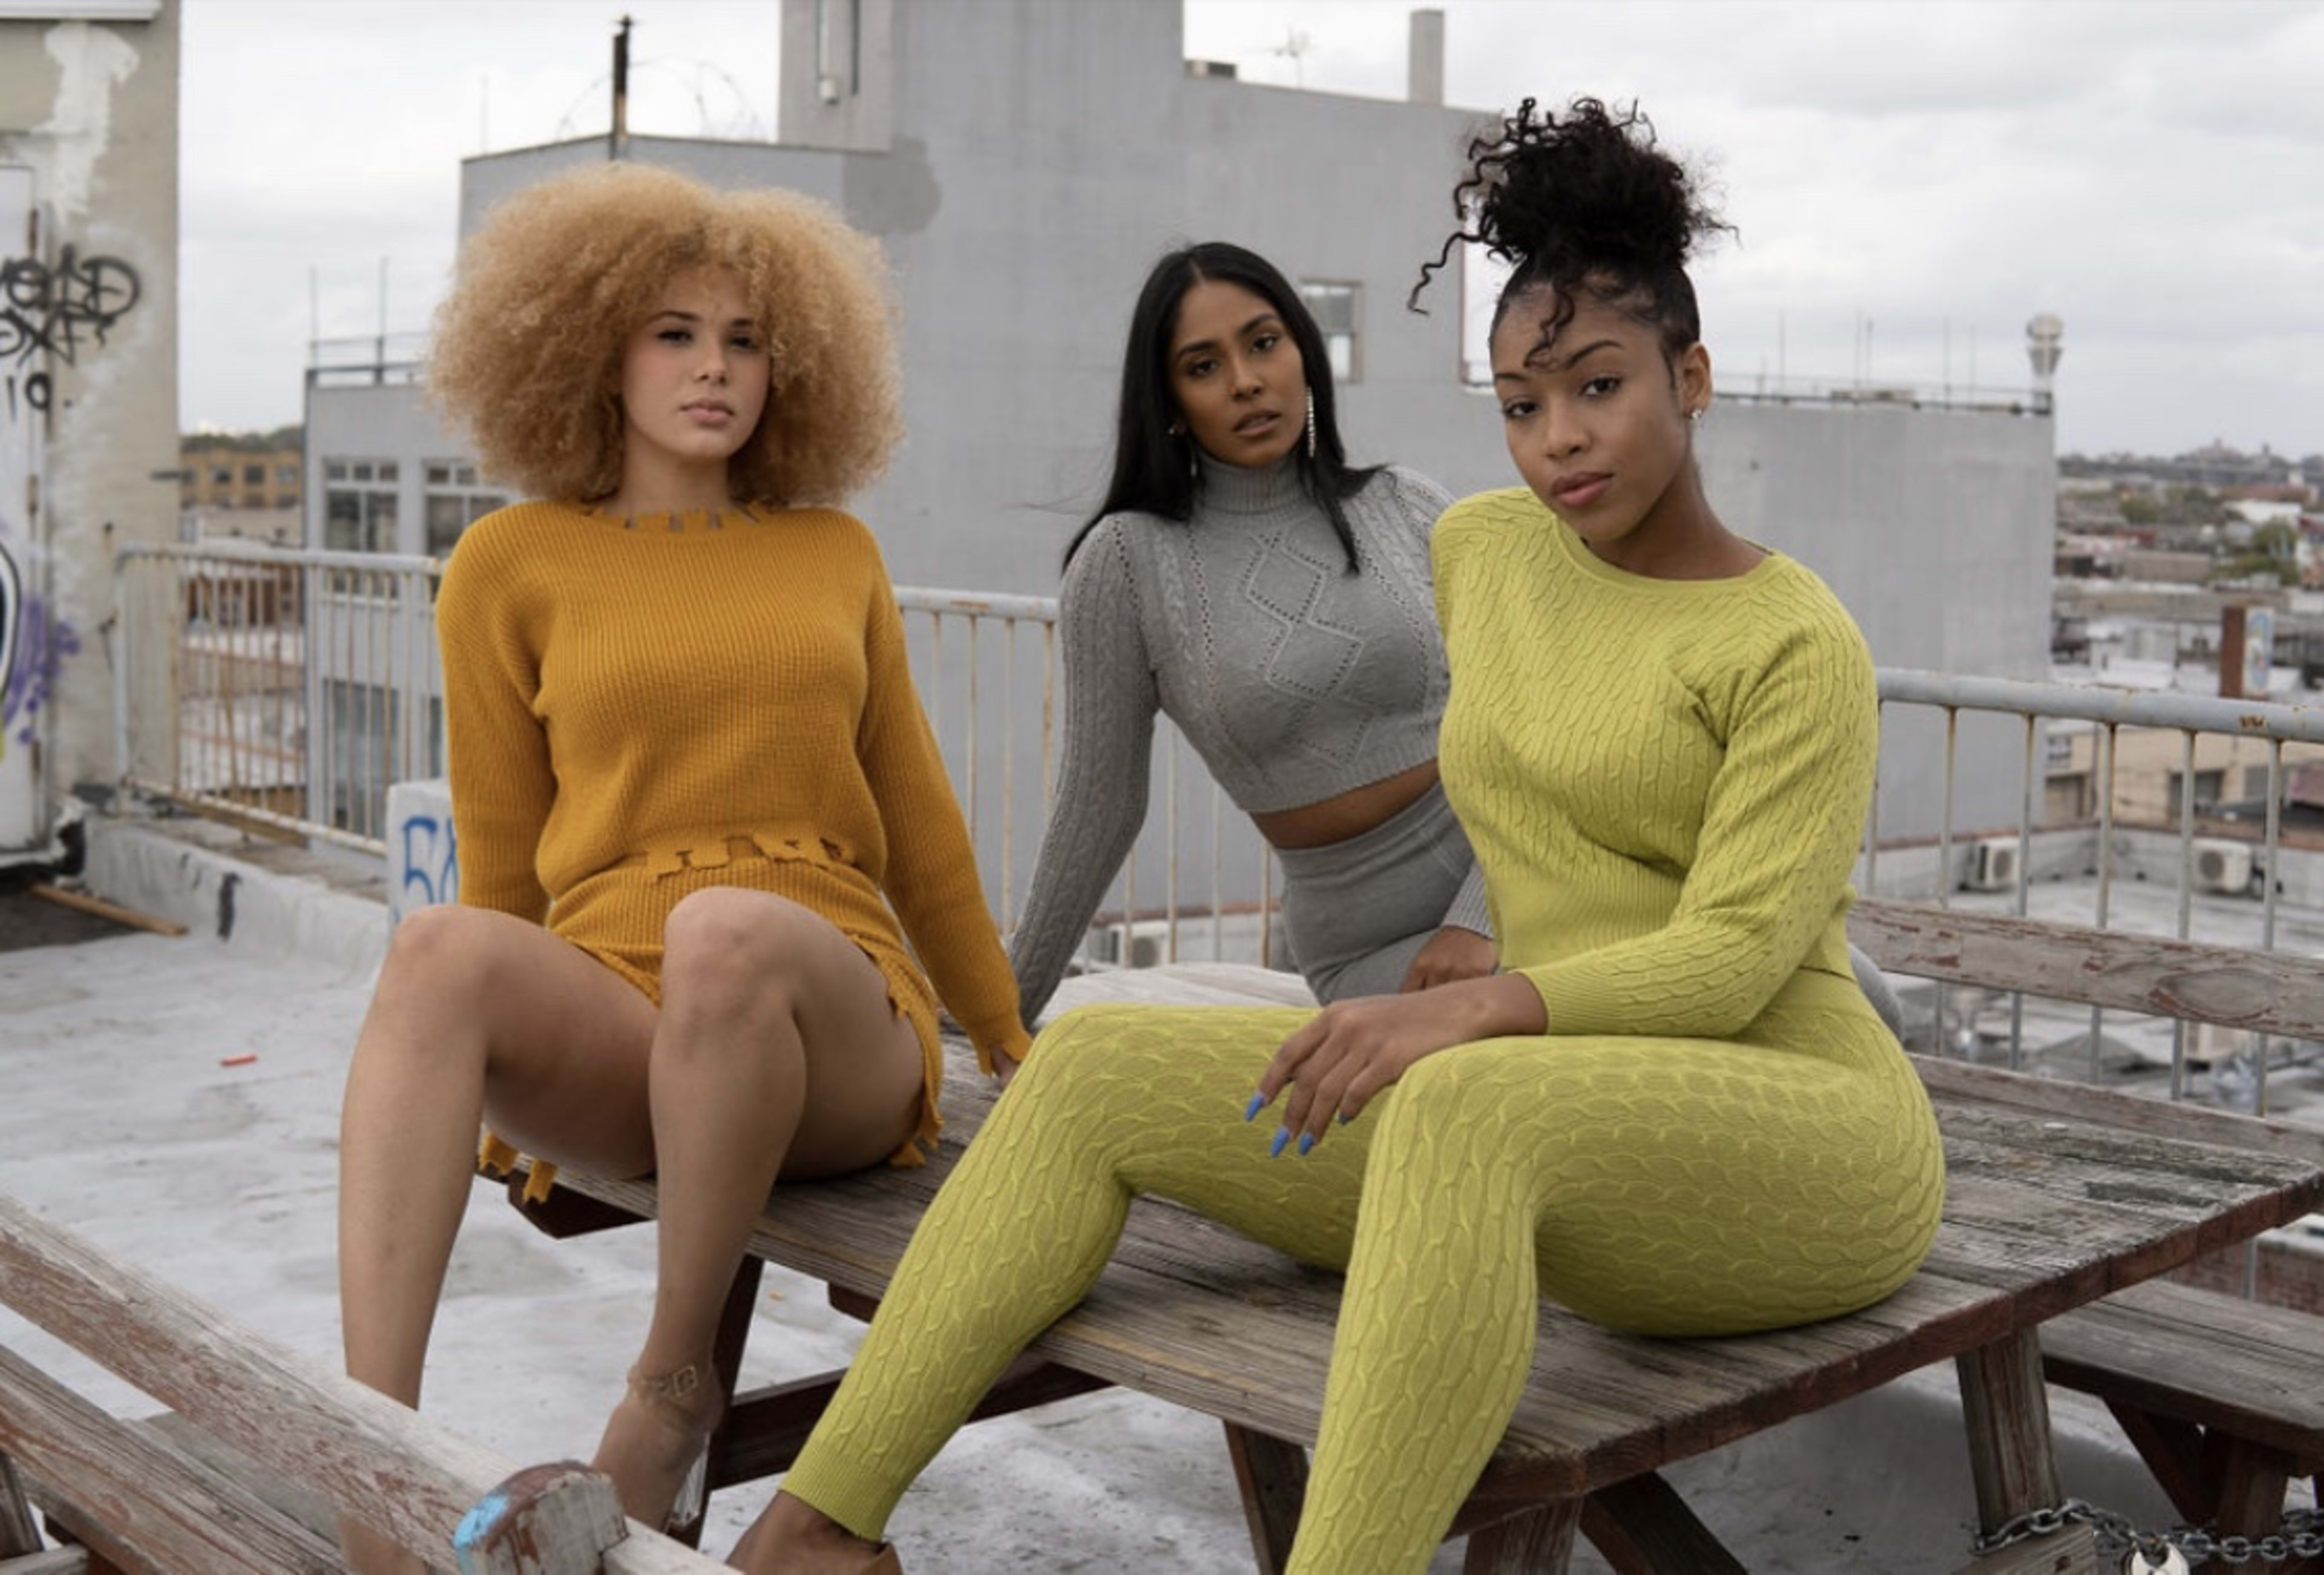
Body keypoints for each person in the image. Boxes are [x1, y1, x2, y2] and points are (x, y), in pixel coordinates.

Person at [735, 97, 1946, 1575]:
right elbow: (1500, 790)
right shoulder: (1486, 551)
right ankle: (815, 1521)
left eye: (1598, 385)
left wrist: (1477, 993)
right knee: (1103, 1067)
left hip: (1807, 1135)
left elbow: (1739, 953)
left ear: (1689, 377)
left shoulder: (1792, 639)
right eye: (1518, 401)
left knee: (1459, 1096)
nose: (1557, 437)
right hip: (1556, 1105)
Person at [332, 163, 1029, 1574]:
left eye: (746, 339)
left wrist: (1008, 1038)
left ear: (794, 364)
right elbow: (503, 854)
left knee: (726, 930)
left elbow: (920, 816)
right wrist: (488, 1103)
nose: (714, 367)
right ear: (592, 347)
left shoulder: (832, 552)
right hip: (623, 1005)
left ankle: (666, 1391)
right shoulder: (504, 564)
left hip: (828, 1012)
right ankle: (367, 1451)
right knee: (432, 952)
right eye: (674, 332)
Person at [1006, 240, 1496, 1019]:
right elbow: (1099, 808)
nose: (1246, 381)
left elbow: (1524, 723)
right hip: (1366, 950)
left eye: (1264, 343)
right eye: (1203, 366)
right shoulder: (1129, 563)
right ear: (1168, 401)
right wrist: (998, 1010)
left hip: (1523, 881)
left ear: (1303, 350)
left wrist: (1482, 915)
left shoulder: (1408, 506)